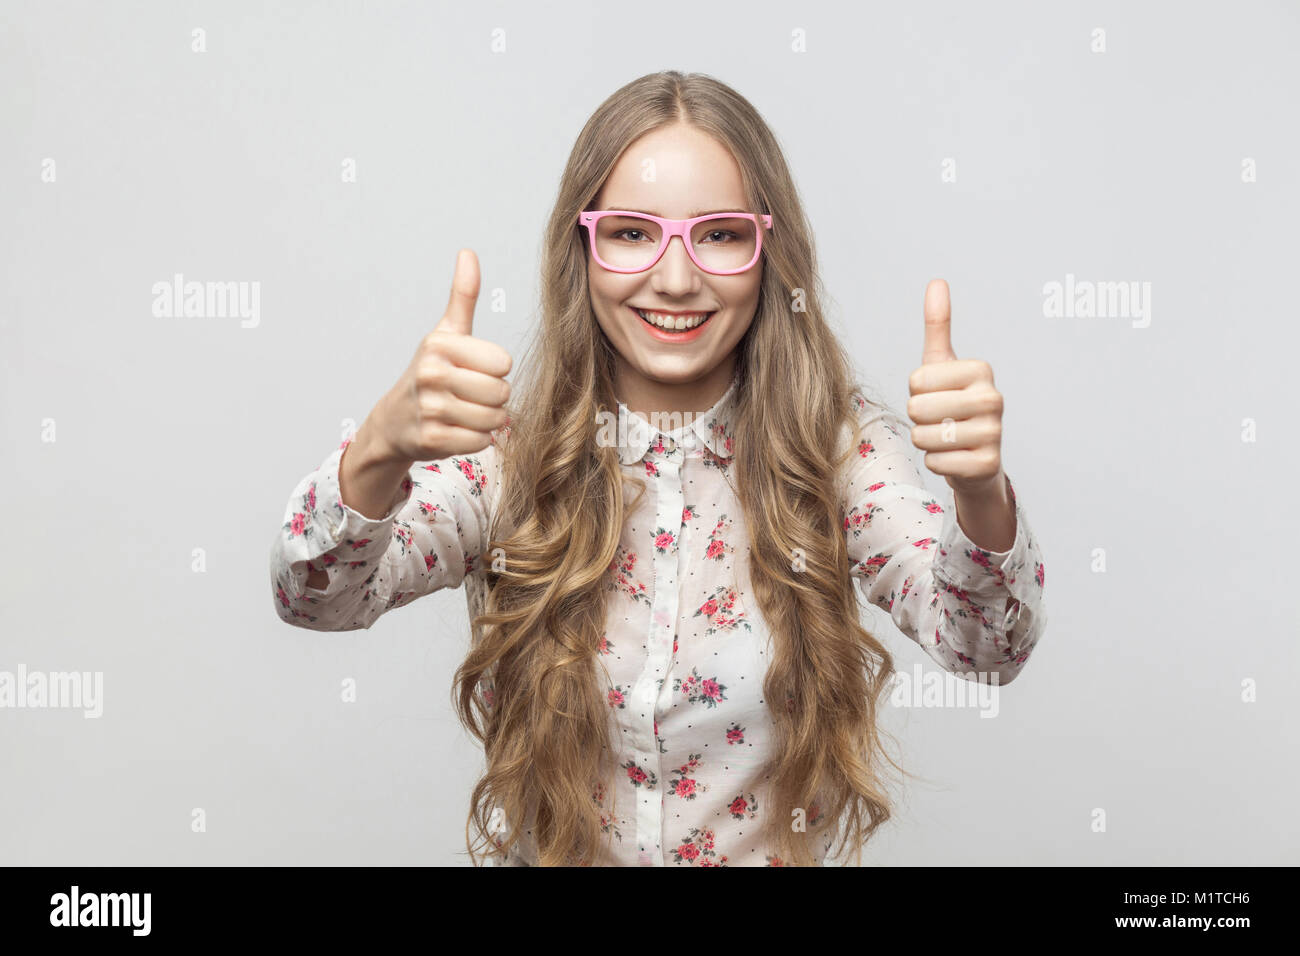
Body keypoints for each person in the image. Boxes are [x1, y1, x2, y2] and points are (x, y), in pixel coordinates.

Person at [269, 70, 1047, 867]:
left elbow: (987, 647)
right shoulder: (513, 456)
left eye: (719, 234)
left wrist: (979, 491)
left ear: (766, 251)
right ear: (584, 248)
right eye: (633, 232)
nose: (676, 279)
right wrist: (381, 448)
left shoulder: (834, 452)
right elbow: (315, 597)